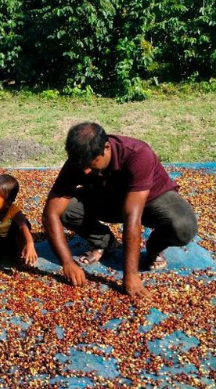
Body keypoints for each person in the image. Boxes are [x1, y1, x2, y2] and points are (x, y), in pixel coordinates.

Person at [42, 122, 198, 299]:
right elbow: (51, 213)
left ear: (106, 148)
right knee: (66, 210)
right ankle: (104, 243)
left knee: (183, 227)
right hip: (108, 198)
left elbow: (132, 216)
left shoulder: (138, 154)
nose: (85, 171)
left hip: (150, 201)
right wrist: (67, 262)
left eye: (91, 165)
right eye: (81, 165)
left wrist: (130, 275)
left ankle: (154, 247)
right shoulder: (78, 161)